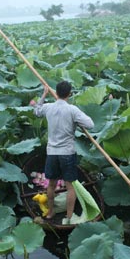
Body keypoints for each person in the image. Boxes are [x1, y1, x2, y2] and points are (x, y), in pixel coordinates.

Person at [33, 81, 94, 224]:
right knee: (70, 185)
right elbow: (90, 125)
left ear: (57, 92)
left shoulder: (48, 107)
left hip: (52, 153)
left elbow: (36, 111)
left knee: (51, 185)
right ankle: (68, 216)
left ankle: (50, 212)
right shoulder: (72, 110)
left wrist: (44, 94)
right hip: (67, 152)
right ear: (70, 94)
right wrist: (77, 122)